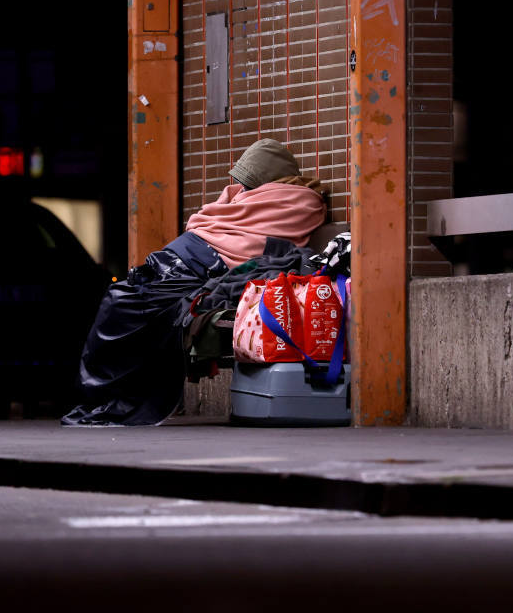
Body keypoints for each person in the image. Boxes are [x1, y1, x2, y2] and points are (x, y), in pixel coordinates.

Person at [62, 139, 327, 426]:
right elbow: (221, 216)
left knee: (123, 305)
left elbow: (232, 231)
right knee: (120, 298)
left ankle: (111, 402)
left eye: (250, 183)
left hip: (196, 269)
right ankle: (103, 400)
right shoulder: (251, 198)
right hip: (175, 263)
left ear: (269, 179)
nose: (241, 191)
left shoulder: (298, 200)